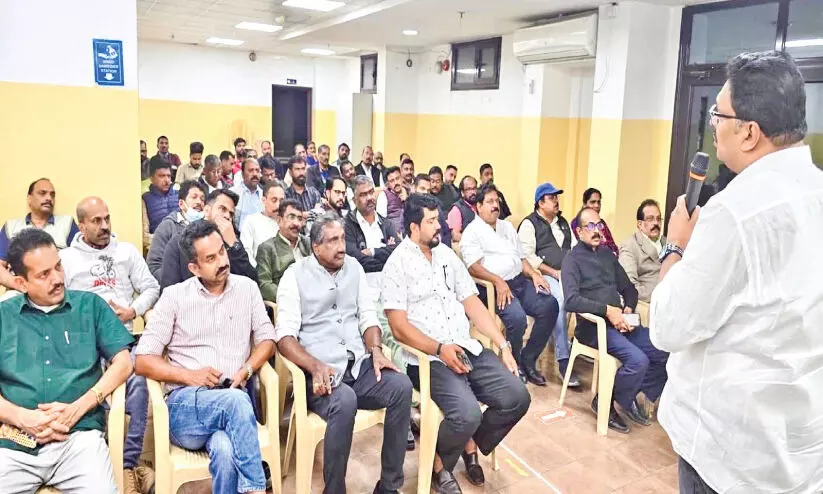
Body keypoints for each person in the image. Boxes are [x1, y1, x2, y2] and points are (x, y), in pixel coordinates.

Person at [651, 51, 823, 494]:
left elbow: (669, 325)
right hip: (799, 446)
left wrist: (676, 246)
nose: (712, 124)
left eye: (718, 114)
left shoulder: (734, 212)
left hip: (730, 453)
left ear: (749, 132)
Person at [383, 194, 530, 494]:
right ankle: (439, 465)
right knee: (467, 413)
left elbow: (472, 302)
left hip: (465, 346)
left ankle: (468, 441)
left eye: (438, 219)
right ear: (414, 227)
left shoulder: (447, 256)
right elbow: (398, 327)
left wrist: (503, 345)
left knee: (517, 397)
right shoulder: (397, 264)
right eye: (431, 221)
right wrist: (439, 349)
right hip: (428, 357)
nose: (440, 226)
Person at [275, 214, 413, 494]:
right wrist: (314, 366)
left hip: (358, 366)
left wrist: (376, 350)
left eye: (342, 239)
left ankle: (389, 486)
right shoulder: (294, 276)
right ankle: (334, 489)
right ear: (316, 247)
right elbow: (284, 337)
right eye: (332, 241)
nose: (341, 247)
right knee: (345, 400)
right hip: (321, 374)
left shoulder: (354, 268)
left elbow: (368, 317)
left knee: (401, 387)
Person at [135, 220, 275, 494]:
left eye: (222, 251)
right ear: (194, 268)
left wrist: (247, 369)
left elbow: (267, 339)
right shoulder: (174, 297)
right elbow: (143, 360)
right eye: (210, 258)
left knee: (225, 449)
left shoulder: (247, 288)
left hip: (232, 398)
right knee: (237, 402)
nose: (222, 261)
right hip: (186, 406)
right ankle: (257, 489)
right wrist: (190, 376)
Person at [0, 229, 133, 493]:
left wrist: (78, 408)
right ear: (22, 283)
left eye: (58, 267)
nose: (58, 278)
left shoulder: (90, 306)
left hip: (79, 440)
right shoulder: (3, 316)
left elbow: (124, 362)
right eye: (44, 274)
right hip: (14, 441)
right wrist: (22, 417)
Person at [60, 197, 159, 494]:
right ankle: (102, 458)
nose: (105, 226)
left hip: (122, 340)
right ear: (81, 226)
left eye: (107, 218)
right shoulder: (66, 259)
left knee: (139, 381)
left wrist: (133, 311)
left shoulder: (126, 252)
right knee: (84, 388)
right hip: (84, 344)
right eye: (96, 221)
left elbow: (151, 287)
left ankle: (128, 464)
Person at [562, 207, 668, 434]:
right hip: (593, 327)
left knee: (664, 349)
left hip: (621, 322)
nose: (596, 230)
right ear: (579, 232)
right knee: (638, 361)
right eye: (590, 226)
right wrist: (608, 311)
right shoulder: (572, 259)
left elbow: (629, 288)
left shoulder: (607, 255)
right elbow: (571, 300)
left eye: (599, 225)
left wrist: (627, 307)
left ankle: (628, 393)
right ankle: (606, 402)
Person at [460, 183, 559, 386]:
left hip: (519, 281)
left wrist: (534, 274)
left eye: (497, 201)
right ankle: (513, 363)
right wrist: (497, 280)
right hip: (493, 288)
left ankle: (528, 359)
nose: (495, 205)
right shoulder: (472, 232)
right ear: (478, 206)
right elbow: (473, 267)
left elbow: (521, 258)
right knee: (517, 318)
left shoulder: (507, 227)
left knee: (550, 305)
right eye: (489, 202)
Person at [517, 183, 580, 388]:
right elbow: (527, 257)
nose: (556, 201)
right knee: (559, 301)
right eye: (552, 198)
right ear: (540, 203)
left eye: (556, 197)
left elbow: (574, 249)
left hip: (566, 275)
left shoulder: (563, 223)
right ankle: (564, 360)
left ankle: (583, 345)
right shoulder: (529, 224)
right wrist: (553, 272)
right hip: (540, 276)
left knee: (587, 296)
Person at [160, 189, 257, 289]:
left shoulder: (232, 242)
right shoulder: (178, 243)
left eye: (231, 214)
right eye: (222, 209)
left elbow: (252, 284)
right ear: (206, 210)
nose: (227, 216)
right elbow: (169, 289)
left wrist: (234, 245)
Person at [0, 178, 80, 262]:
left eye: (52, 195)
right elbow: (1, 263)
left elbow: (80, 259)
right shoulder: (11, 226)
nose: (49, 198)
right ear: (29, 198)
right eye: (42, 193)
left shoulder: (67, 223)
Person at [344, 176, 401, 292]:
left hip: (389, 285)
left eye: (371, 192)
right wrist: (386, 255)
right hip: (360, 286)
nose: (370, 198)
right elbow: (354, 259)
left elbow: (398, 252)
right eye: (363, 195)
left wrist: (372, 252)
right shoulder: (347, 225)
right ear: (354, 200)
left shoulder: (387, 224)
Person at [146, 180, 206, 280]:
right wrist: (175, 281)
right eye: (194, 197)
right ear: (181, 204)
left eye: (202, 199)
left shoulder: (206, 227)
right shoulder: (167, 227)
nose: (199, 202)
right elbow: (153, 267)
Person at [256, 199, 309, 303]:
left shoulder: (308, 243)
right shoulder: (267, 248)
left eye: (299, 219)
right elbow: (264, 284)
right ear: (279, 220)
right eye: (291, 217)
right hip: (287, 304)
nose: (296, 223)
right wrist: (291, 298)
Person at [619, 199, 665, 303]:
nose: (656, 223)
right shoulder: (629, 246)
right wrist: (659, 296)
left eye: (658, 219)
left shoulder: (667, 242)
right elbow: (629, 285)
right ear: (639, 224)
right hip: (648, 302)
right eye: (650, 219)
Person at [240, 181, 285, 267]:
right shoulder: (251, 221)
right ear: (264, 200)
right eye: (274, 200)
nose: (278, 205)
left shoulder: (287, 223)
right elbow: (247, 252)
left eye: (281, 201)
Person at [142, 156, 179, 252]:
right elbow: (145, 237)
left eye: (169, 176)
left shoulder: (180, 195)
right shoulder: (145, 200)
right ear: (151, 178)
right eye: (162, 176)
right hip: (159, 250)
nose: (167, 180)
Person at [570, 188, 619, 257]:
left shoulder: (602, 223)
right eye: (593, 202)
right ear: (584, 204)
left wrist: (614, 255)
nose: (597, 205)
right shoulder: (577, 222)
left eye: (599, 202)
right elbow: (585, 248)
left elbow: (613, 245)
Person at [412, 173, 451, 248]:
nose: (425, 193)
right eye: (422, 189)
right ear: (414, 188)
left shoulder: (436, 207)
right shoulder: (408, 210)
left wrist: (446, 249)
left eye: (428, 190)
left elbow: (446, 232)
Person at [230, 158, 264, 229]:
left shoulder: (264, 194)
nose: (255, 174)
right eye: (251, 170)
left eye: (257, 170)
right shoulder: (232, 193)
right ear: (242, 174)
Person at [446, 176, 478, 243]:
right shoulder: (457, 209)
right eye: (469, 189)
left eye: (474, 188)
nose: (473, 192)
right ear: (462, 192)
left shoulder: (480, 205)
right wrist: (474, 241)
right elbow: (455, 235)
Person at [376, 166, 407, 233]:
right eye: (392, 181)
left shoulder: (408, 192)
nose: (396, 183)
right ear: (388, 184)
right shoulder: (383, 195)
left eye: (397, 178)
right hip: (394, 233)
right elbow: (381, 221)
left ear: (402, 178)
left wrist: (406, 200)